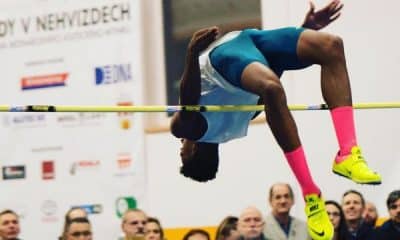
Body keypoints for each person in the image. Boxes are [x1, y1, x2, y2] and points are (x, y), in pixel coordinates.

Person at [170, 1, 381, 239]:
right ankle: (310, 191)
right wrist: (191, 53)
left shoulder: (240, 121)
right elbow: (187, 100)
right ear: (194, 150)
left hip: (251, 43)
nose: (180, 145)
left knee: (331, 46)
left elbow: (271, 72)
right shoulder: (189, 128)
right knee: (273, 87)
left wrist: (304, 32)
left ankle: (348, 153)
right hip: (223, 60)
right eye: (182, 152)